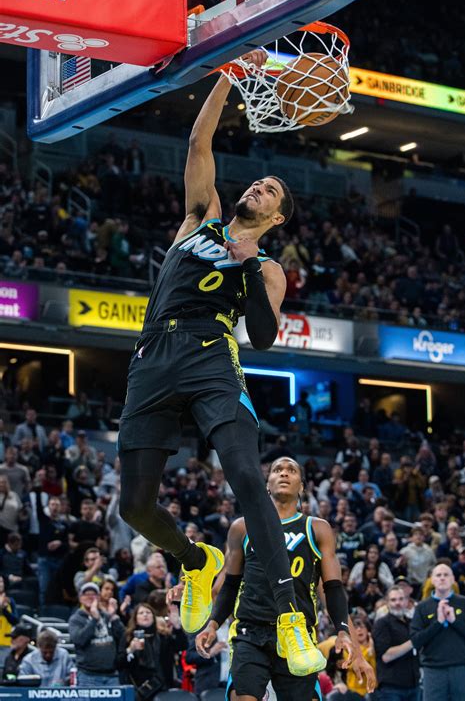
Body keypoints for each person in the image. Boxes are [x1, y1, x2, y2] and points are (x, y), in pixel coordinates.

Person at [118, 49, 322, 676]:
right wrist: (229, 76)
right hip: (154, 355)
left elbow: (261, 337)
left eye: (272, 191)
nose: (259, 187)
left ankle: (289, 619)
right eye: (257, 182)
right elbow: (199, 138)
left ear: (277, 217)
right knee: (133, 506)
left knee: (245, 476)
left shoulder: (264, 267)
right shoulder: (197, 219)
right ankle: (194, 559)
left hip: (212, 358)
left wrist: (249, 273)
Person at [194, 457, 376, 701]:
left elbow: (332, 589)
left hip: (298, 634)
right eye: (277, 469)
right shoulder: (243, 527)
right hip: (252, 631)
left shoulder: (317, 529)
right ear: (267, 484)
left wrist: (345, 634)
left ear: (301, 487)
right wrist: (213, 623)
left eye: (292, 470)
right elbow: (230, 584)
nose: (284, 473)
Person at [410, 564, 465, 701]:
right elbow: (415, 641)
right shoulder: (422, 607)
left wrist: (454, 621)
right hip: (433, 670)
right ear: (432, 580)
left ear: (453, 579)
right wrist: (438, 623)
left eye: (446, 575)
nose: (442, 578)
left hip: (462, 668)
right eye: (438, 575)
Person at [117, 601, 187, 697]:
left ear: (153, 617)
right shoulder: (128, 637)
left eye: (148, 612)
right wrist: (130, 650)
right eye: (141, 613)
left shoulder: (163, 636)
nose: (145, 615)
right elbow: (119, 663)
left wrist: (177, 626)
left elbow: (182, 646)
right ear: (136, 619)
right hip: (139, 689)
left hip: (163, 686)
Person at [68, 581, 124, 687]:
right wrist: (94, 619)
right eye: (86, 594)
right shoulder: (76, 619)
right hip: (88, 676)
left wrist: (113, 617)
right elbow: (79, 640)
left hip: (112, 675)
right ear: (80, 598)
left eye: (93, 594)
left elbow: (122, 638)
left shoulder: (106, 615)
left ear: (98, 598)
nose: (90, 597)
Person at [372, 585, 420, 701]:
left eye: (401, 599)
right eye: (393, 600)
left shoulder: (412, 623)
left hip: (414, 685)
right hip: (391, 687)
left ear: (407, 601)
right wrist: (413, 642)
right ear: (387, 603)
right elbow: (386, 656)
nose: (397, 603)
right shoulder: (381, 624)